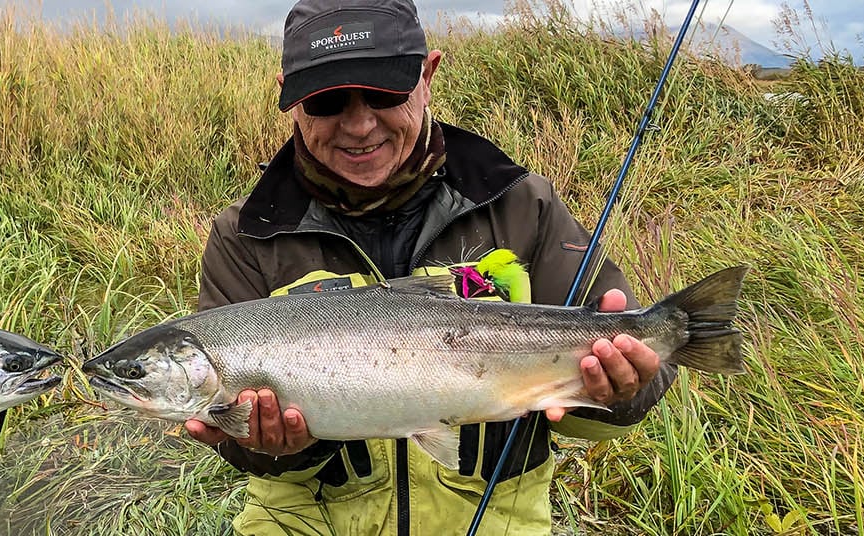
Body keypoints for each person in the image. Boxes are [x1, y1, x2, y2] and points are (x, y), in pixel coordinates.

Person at [185, 0, 675, 533]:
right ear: (291, 96)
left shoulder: (522, 205)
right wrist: (272, 446)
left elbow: (642, 384)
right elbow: (242, 450)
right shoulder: (247, 235)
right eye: (327, 102)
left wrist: (621, 390)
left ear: (428, 74)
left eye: (383, 92)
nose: (359, 124)